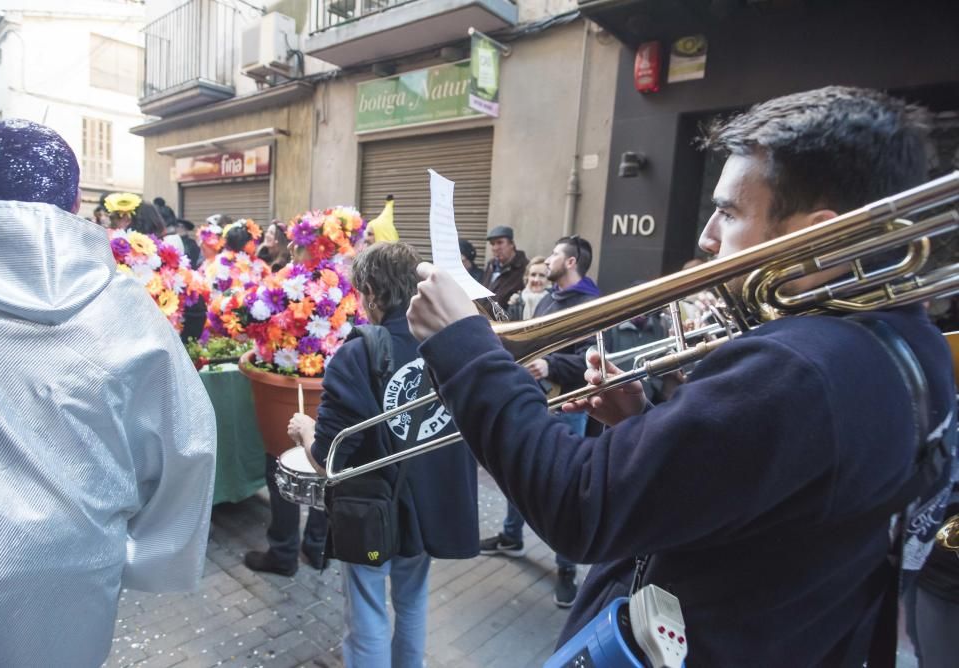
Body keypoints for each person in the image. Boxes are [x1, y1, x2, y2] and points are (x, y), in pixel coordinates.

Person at [406, 87, 957, 666]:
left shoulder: (801, 368)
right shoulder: (911, 340)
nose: (707, 237)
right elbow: (763, 493)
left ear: (819, 235)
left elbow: (578, 506)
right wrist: (644, 425)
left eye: (730, 211)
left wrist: (462, 346)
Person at [0, 119, 216, 666]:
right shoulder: (125, 308)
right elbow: (187, 441)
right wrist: (141, 550)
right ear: (76, 202)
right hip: (81, 556)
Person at [288, 242, 479, 668]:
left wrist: (304, 429)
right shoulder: (451, 343)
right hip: (431, 505)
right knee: (412, 603)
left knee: (368, 608)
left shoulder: (356, 353)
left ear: (372, 291)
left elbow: (328, 459)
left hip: (372, 509)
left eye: (361, 292)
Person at [480, 237, 600, 608]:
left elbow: (594, 359)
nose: (548, 259)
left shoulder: (591, 302)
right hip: (536, 398)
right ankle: (512, 537)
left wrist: (552, 365)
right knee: (520, 471)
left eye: (555, 254)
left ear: (572, 261)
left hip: (568, 406)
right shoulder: (551, 298)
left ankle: (567, 568)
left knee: (563, 487)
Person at [480, 225, 528, 309]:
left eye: (500, 242)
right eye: (492, 244)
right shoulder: (491, 265)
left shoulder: (524, 267)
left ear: (512, 244)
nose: (495, 248)